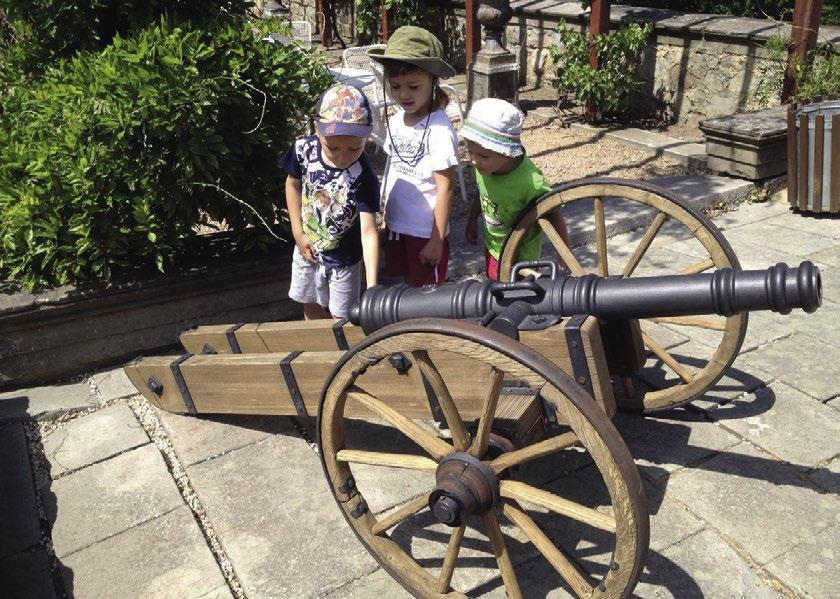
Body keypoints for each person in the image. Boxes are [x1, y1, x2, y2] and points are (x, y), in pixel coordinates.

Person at [368, 26, 459, 287]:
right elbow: (394, 170)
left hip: (424, 231)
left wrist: (436, 239)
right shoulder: (397, 121)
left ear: (433, 81)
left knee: (428, 296)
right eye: (395, 86)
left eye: (413, 86)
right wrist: (385, 218)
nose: (403, 95)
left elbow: (445, 188)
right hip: (397, 226)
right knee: (406, 291)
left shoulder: (440, 129)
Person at [281, 83, 380, 320]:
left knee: (343, 317)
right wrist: (297, 231)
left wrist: (373, 287)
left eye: (354, 148)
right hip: (307, 247)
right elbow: (292, 183)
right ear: (317, 130)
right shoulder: (303, 150)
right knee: (310, 303)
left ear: (367, 137)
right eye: (332, 147)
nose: (342, 157)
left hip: (343, 258)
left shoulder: (363, 175)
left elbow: (369, 231)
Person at [462, 98, 569, 280]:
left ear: (506, 152)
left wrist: (563, 253)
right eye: (469, 151)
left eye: (483, 156)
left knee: (517, 294)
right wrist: (472, 220)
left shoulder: (530, 183)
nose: (474, 161)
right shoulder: (483, 166)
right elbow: (482, 191)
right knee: (495, 286)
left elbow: (553, 213)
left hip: (522, 259)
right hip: (493, 246)